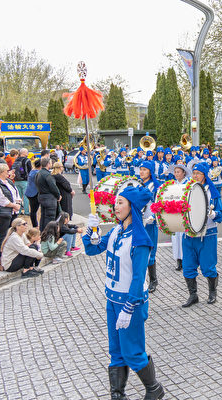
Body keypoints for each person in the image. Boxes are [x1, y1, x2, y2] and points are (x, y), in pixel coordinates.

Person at [84, 186, 165, 399]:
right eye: (116, 202)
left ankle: (154, 389)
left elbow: (138, 278)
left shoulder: (140, 240)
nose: (115, 206)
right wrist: (91, 231)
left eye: (121, 202)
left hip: (131, 303)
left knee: (133, 351)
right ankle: (117, 394)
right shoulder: (117, 230)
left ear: (132, 206)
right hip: (112, 298)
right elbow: (92, 249)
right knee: (116, 351)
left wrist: (129, 308)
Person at [181, 163, 222, 307]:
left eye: (198, 173)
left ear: (205, 175)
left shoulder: (212, 192)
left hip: (208, 234)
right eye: (193, 173)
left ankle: (212, 292)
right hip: (189, 235)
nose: (195, 176)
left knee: (208, 267)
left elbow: (221, 214)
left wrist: (213, 214)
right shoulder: (187, 190)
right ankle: (193, 295)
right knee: (188, 266)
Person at [139, 161, 160, 293]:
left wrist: (153, 217)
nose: (141, 172)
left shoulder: (155, 186)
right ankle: (141, 279)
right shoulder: (137, 184)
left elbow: (158, 204)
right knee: (139, 251)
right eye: (141, 169)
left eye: (145, 170)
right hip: (139, 222)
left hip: (150, 222)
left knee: (150, 251)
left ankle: (153, 280)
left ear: (150, 172)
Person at [0, 163, 21, 260]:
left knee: (12, 234)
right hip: (3, 213)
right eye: (6, 171)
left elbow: (15, 192)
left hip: (12, 211)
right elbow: (1, 200)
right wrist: (13, 205)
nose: (8, 173)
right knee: (3, 235)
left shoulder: (8, 182)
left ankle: (10, 255)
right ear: (1, 172)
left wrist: (18, 202)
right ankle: (1, 258)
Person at [171, 164, 191, 271]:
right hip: (174, 213)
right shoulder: (172, 184)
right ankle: (178, 260)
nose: (176, 174)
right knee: (175, 237)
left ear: (184, 173)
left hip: (184, 213)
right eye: (175, 172)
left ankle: (185, 260)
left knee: (184, 236)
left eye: (178, 172)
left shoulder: (188, 184)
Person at [36, 158, 61, 231]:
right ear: (48, 164)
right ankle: (48, 234)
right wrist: (58, 195)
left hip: (41, 196)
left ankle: (42, 232)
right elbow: (53, 186)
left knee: (43, 217)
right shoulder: (47, 174)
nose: (51, 164)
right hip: (49, 198)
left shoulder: (39, 173)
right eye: (50, 163)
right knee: (50, 217)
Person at [11, 148, 31, 215]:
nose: (28, 153)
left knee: (18, 197)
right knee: (26, 197)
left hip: (16, 180)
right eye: (27, 152)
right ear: (24, 153)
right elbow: (29, 171)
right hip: (24, 181)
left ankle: (18, 211)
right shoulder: (27, 160)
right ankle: (26, 212)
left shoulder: (16, 160)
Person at [25, 159, 41, 228]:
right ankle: (35, 225)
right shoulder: (37, 173)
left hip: (30, 193)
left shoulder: (32, 171)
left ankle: (35, 225)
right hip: (34, 193)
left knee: (33, 210)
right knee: (34, 211)